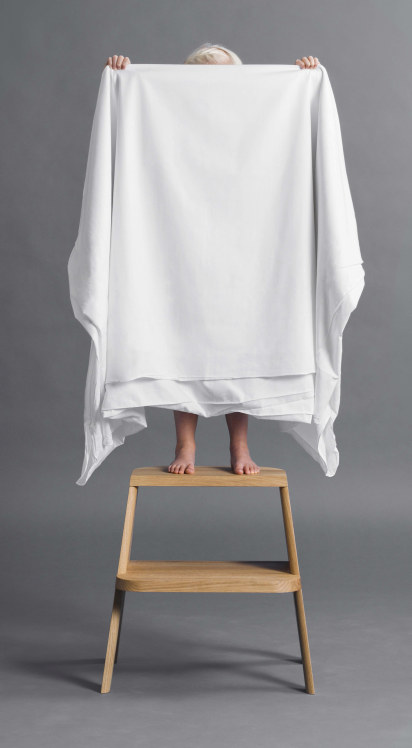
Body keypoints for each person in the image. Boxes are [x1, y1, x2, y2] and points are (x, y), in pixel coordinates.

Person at [103, 43, 320, 475]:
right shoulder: (175, 116)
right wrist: (124, 77)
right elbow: (149, 127)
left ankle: (240, 446)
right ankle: (186, 445)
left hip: (243, 247)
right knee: (182, 341)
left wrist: (302, 79)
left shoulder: (251, 116)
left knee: (239, 344)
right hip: (183, 243)